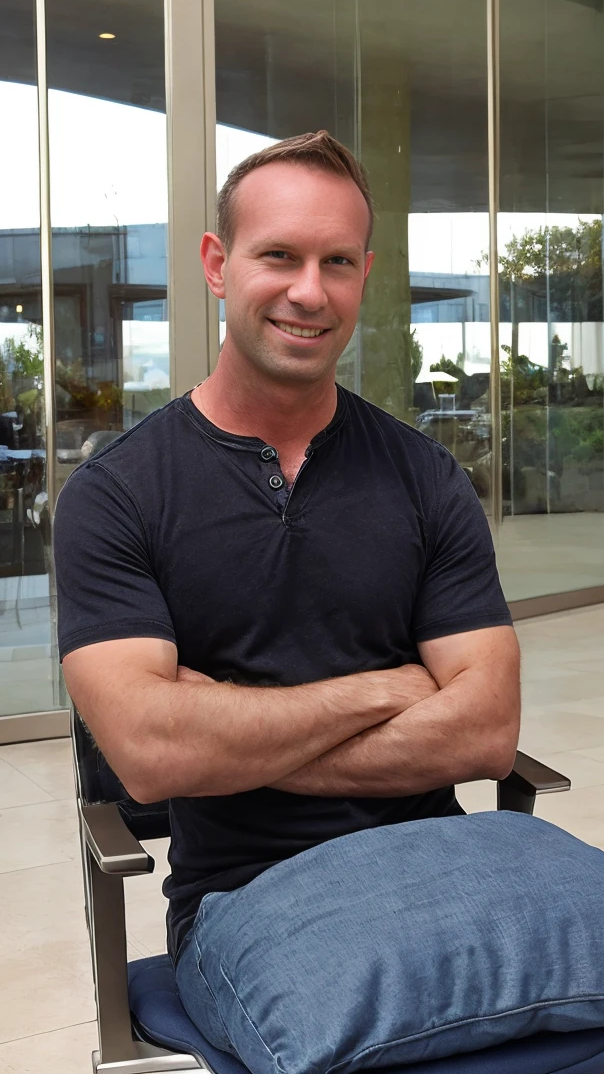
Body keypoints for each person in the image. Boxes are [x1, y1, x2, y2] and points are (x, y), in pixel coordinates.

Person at [54, 130, 521, 1061]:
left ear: (364, 276)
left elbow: (484, 733)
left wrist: (220, 730)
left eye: (337, 263)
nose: (311, 291)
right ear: (218, 266)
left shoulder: (428, 478)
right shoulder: (116, 497)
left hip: (435, 864)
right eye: (279, 255)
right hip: (243, 896)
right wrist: (388, 690)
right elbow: (148, 753)